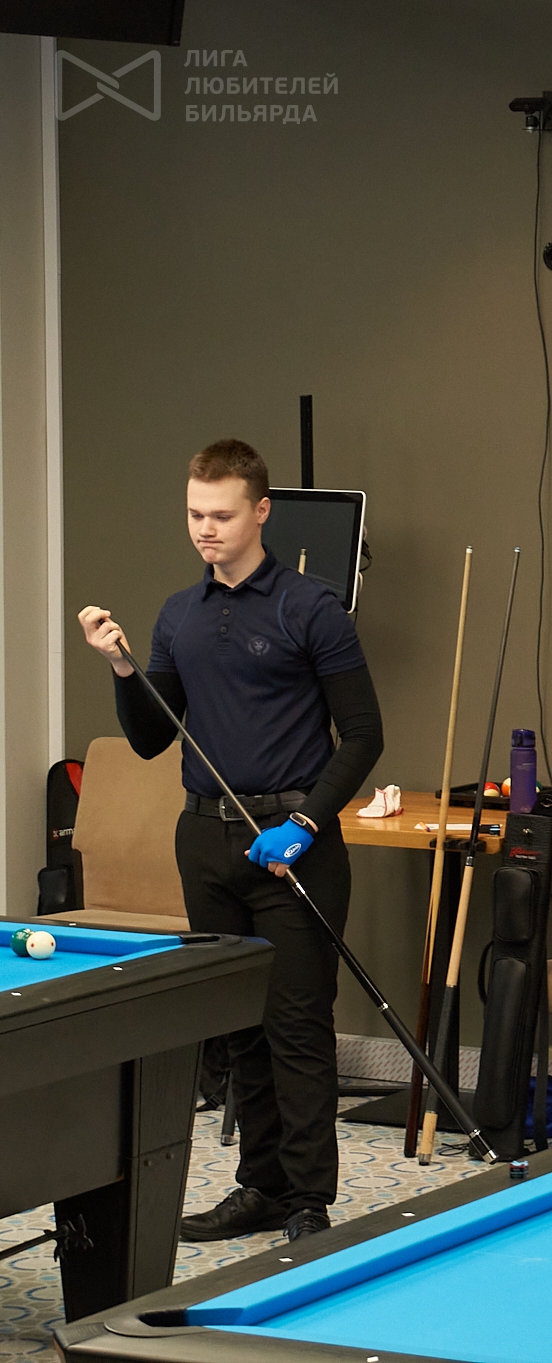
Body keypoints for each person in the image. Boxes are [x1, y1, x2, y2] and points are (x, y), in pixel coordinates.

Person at [77, 440, 383, 1244]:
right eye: (193, 514)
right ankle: (261, 1187)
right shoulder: (179, 614)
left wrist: (305, 824)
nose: (204, 529)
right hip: (206, 840)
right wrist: (120, 669)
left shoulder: (312, 608)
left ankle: (309, 1198)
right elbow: (151, 737)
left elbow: (363, 735)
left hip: (292, 843)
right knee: (239, 1026)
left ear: (261, 511)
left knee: (296, 1027)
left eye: (220, 514)